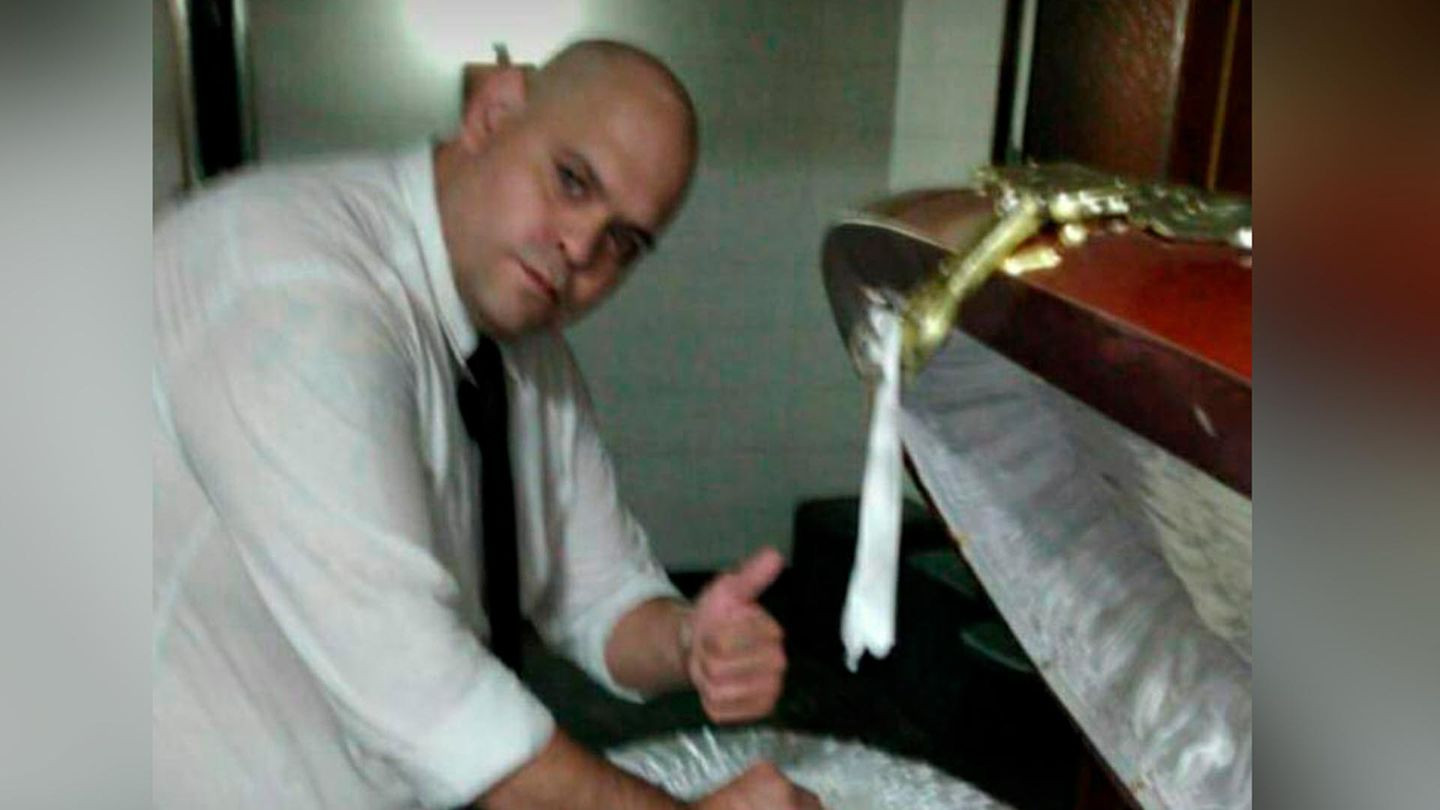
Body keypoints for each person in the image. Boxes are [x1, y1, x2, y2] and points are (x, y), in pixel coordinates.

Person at [152, 39, 823, 810]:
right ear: (494, 113)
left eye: (623, 241)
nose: (581, 248)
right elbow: (423, 696)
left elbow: (597, 593)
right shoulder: (290, 286)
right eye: (571, 181)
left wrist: (688, 640)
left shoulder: (524, 352)